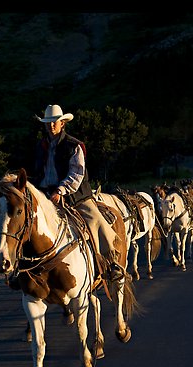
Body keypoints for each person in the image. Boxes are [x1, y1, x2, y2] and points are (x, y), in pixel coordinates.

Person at [33, 104, 123, 282]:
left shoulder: (74, 145)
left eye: (55, 122)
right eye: (48, 122)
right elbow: (38, 172)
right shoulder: (41, 146)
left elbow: (76, 173)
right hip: (46, 195)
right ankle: (20, 268)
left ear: (62, 123)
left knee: (96, 221)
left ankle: (111, 262)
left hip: (75, 195)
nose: (51, 125)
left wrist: (61, 190)